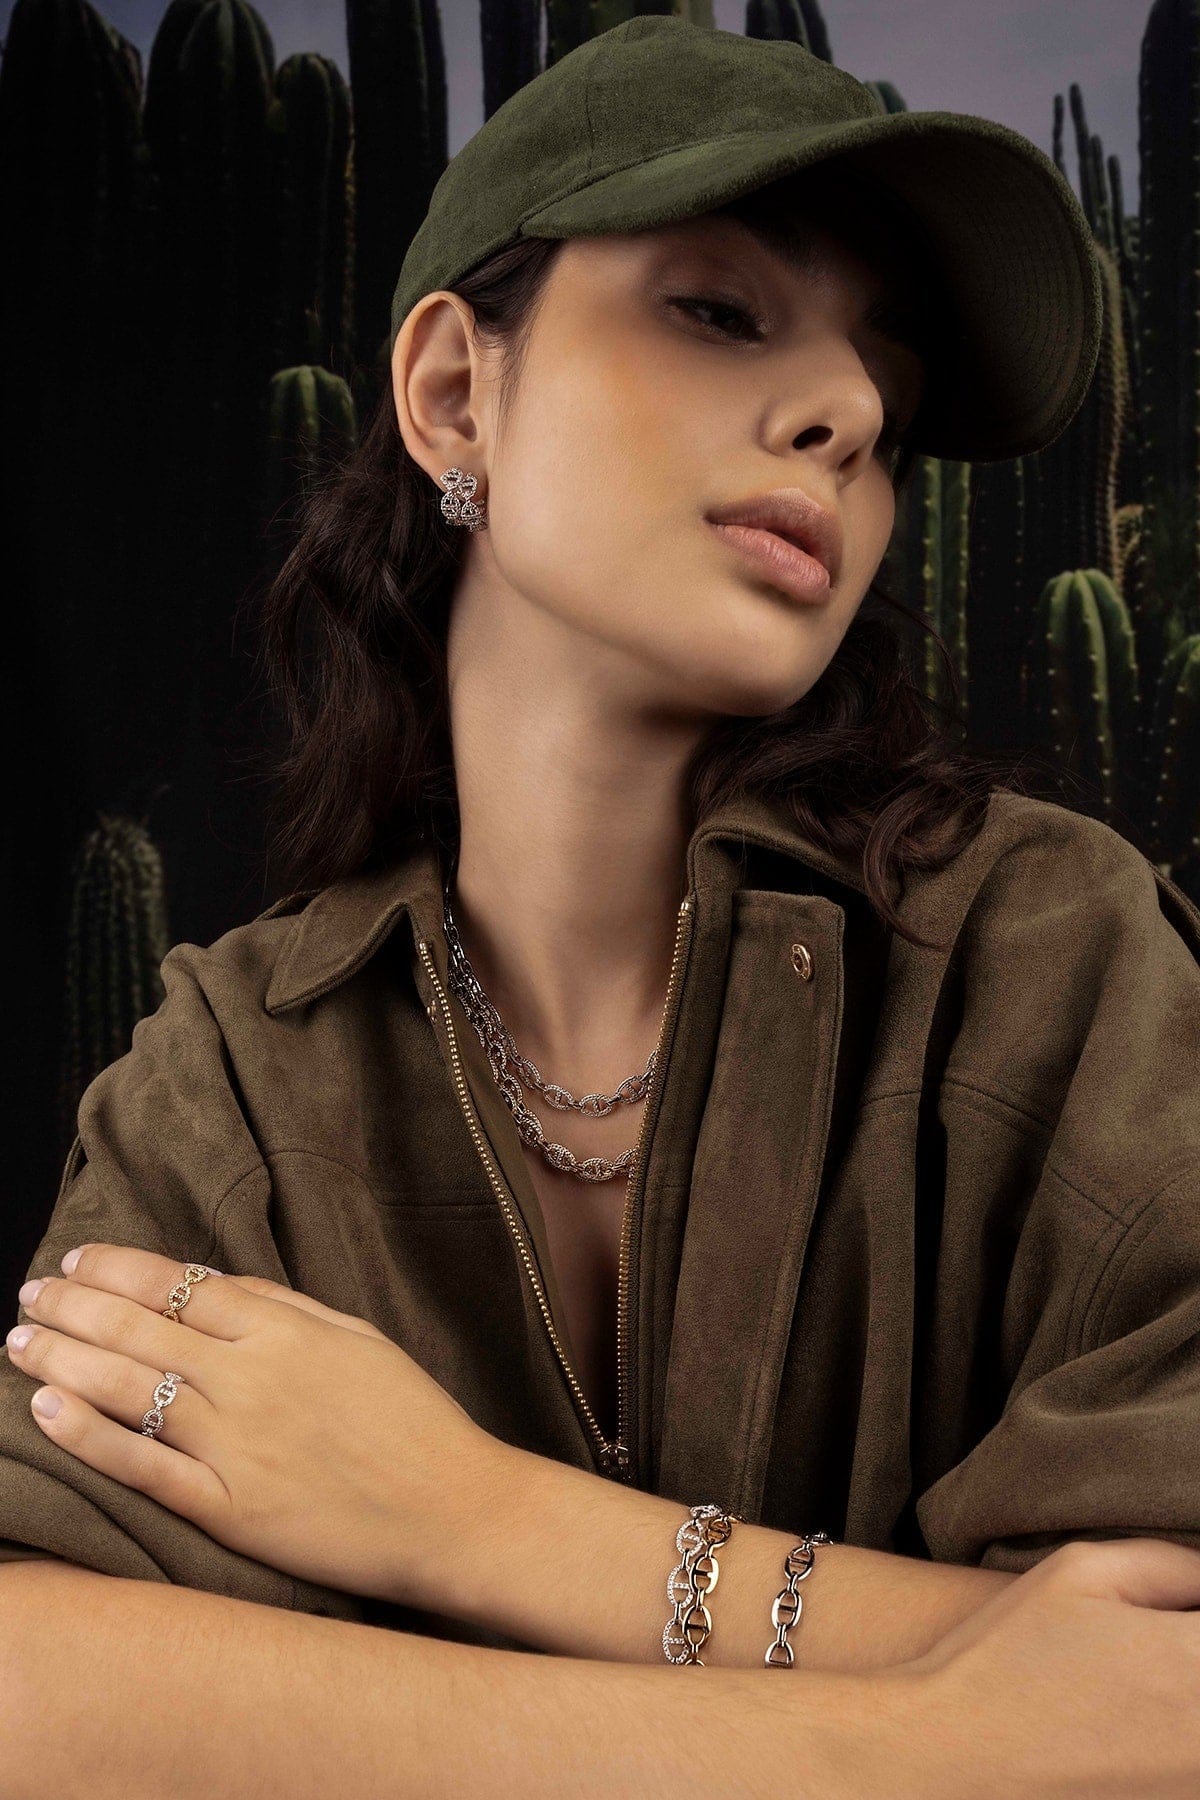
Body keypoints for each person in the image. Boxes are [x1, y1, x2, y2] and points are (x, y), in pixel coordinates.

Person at [3, 17, 1200, 1796]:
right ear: (453, 393)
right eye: (721, 310)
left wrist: (463, 1519)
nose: (853, 412)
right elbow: (29, 1682)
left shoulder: (1046, 961)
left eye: (888, 383)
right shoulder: (236, 1079)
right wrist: (944, 1733)